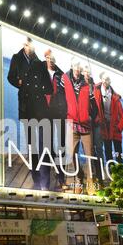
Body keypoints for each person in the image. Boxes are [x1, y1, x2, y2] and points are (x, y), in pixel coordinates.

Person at [7, 38, 53, 190]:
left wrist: (38, 88)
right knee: (32, 146)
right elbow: (11, 78)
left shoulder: (39, 63)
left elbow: (49, 88)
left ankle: (46, 182)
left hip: (40, 108)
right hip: (26, 107)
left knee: (44, 145)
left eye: (33, 45)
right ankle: (36, 179)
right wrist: (23, 83)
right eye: (29, 44)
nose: (31, 47)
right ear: (24, 44)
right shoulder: (16, 58)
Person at [62, 58, 94, 195]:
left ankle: (91, 183)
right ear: (71, 66)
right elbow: (59, 98)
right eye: (75, 66)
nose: (77, 69)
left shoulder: (86, 85)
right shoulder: (64, 79)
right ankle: (79, 180)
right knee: (73, 155)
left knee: (89, 156)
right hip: (72, 123)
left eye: (79, 68)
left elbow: (93, 105)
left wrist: (89, 115)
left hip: (86, 126)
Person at [44, 49, 67, 191]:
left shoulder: (61, 75)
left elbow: (68, 95)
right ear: (45, 58)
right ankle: (48, 178)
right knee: (48, 144)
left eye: (52, 58)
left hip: (60, 113)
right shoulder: (40, 73)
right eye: (48, 57)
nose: (50, 60)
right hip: (46, 113)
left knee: (62, 146)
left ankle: (61, 177)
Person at [93, 72, 123, 164]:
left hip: (115, 129)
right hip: (104, 128)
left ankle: (120, 174)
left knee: (119, 154)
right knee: (108, 152)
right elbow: (93, 108)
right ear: (102, 80)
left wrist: (118, 128)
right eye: (105, 79)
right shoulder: (96, 91)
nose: (107, 81)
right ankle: (111, 173)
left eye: (108, 79)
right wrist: (97, 120)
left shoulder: (115, 97)